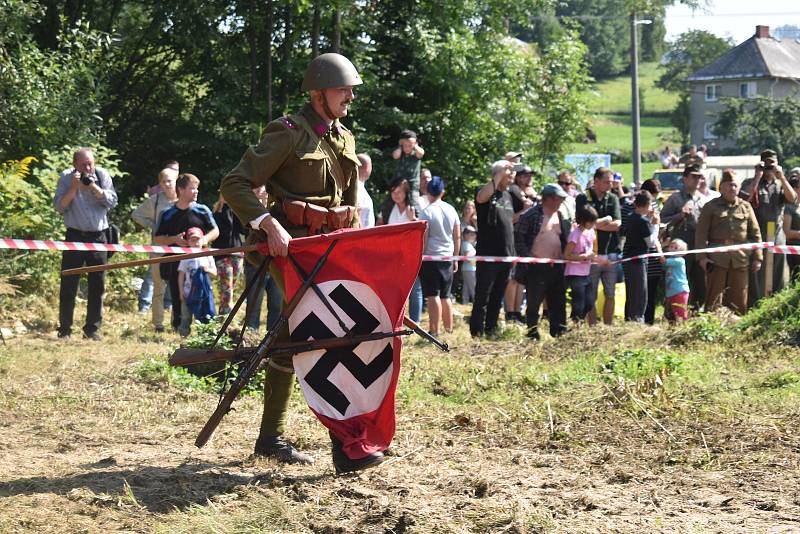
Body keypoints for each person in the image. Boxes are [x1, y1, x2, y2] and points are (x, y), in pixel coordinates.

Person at [220, 53, 381, 474]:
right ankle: (347, 447)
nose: (350, 95)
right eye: (342, 88)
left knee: (294, 338)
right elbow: (235, 183)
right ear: (318, 93)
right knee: (323, 329)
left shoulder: (344, 137)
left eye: (351, 89)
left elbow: (349, 205)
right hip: (287, 249)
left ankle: (270, 438)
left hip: (329, 249)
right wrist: (267, 224)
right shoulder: (286, 133)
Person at [54, 148, 119, 340]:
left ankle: (92, 329)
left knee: (97, 284)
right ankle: (65, 329)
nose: (88, 168)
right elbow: (59, 206)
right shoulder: (66, 177)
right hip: (74, 236)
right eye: (83, 165)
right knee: (68, 282)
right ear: (75, 164)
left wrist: (94, 188)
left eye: (90, 163)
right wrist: (74, 187)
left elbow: (112, 201)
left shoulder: (101, 175)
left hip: (98, 237)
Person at [154, 173, 219, 332]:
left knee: (203, 293)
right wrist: (174, 240)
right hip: (175, 260)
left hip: (200, 262)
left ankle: (205, 328)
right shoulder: (167, 213)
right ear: (181, 190)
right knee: (177, 294)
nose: (196, 192)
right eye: (192, 188)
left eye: (197, 189)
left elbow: (215, 230)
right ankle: (178, 328)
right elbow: (158, 238)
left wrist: (204, 240)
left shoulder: (202, 210)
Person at [695, 170, 762, 314]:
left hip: (740, 259)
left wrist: (758, 257)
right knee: (714, 298)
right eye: (729, 185)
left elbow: (755, 234)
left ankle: (737, 328)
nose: (732, 188)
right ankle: (712, 326)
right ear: (721, 188)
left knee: (739, 298)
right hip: (717, 260)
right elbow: (700, 235)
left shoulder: (745, 206)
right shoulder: (710, 207)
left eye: (735, 185)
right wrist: (702, 258)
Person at [515, 183, 571, 340]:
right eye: (559, 199)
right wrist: (528, 258)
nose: (560, 202)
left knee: (558, 301)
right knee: (534, 302)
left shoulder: (560, 215)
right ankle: (532, 332)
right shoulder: (531, 215)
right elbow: (519, 238)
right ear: (550, 199)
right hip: (537, 267)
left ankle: (559, 331)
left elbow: (564, 238)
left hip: (557, 266)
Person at [739, 149, 796, 304]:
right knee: (756, 270)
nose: (770, 168)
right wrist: (757, 176)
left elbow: (792, 199)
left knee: (777, 269)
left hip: (776, 233)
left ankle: (775, 302)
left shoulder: (780, 184)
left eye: (773, 164)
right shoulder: (751, 183)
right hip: (756, 233)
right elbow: (744, 200)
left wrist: (782, 177)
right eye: (767, 165)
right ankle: (755, 304)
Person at [469, 160, 516, 337]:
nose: (512, 177)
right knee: (483, 296)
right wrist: (499, 174)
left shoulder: (508, 196)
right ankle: (477, 331)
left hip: (506, 256)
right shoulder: (485, 191)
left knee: (497, 296)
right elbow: (481, 198)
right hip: (488, 255)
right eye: (508, 174)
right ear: (498, 174)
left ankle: (491, 328)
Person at [131, 167, 178, 331]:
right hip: (158, 248)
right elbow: (136, 215)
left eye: (169, 180)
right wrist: (153, 225)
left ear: (176, 180)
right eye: (163, 181)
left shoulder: (184, 199)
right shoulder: (155, 200)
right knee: (158, 287)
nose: (166, 184)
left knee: (177, 288)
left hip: (179, 249)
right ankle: (158, 323)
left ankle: (177, 323)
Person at [575, 167, 622, 325]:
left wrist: (594, 224)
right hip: (591, 254)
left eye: (611, 182)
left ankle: (608, 326)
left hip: (611, 253)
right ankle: (593, 326)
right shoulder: (583, 198)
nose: (610, 185)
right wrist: (604, 222)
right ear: (596, 181)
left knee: (610, 293)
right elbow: (581, 224)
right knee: (591, 295)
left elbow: (617, 224)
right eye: (606, 182)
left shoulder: (613, 198)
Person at [660, 163, 706, 311]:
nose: (697, 180)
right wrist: (679, 215)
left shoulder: (703, 199)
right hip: (680, 245)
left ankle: (695, 311)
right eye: (694, 177)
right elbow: (663, 220)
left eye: (699, 177)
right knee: (678, 281)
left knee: (699, 280)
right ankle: (674, 314)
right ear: (685, 179)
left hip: (698, 243)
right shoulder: (675, 198)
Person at [419, 176, 460, 336]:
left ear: (428, 192)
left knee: (432, 295)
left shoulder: (426, 212)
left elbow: (424, 237)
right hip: (448, 257)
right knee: (446, 295)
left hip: (431, 258)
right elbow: (457, 235)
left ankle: (434, 330)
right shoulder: (451, 209)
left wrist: (420, 257)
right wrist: (456, 257)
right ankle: (449, 329)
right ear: (442, 192)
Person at [243, 186, 282, 333]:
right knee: (253, 303)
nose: (261, 191)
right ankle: (250, 338)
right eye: (256, 188)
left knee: (276, 304)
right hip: (255, 263)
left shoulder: (277, 209)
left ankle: (273, 338)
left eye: (262, 188)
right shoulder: (247, 209)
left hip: (276, 261)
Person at [504, 165, 536, 325]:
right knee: (513, 278)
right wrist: (526, 211)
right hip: (514, 239)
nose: (528, 178)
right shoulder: (512, 193)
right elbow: (509, 219)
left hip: (527, 240)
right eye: (525, 175)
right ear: (518, 176)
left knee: (521, 278)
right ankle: (510, 312)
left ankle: (517, 312)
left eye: (530, 175)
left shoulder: (530, 192)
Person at [622, 191, 659, 323]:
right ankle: (638, 319)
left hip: (630, 259)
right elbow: (651, 242)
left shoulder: (631, 216)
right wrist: (655, 225)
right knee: (641, 293)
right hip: (638, 261)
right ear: (648, 204)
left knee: (633, 292)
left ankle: (632, 318)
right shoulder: (642, 221)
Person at [564, 206, 604, 323]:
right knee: (579, 303)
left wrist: (596, 258)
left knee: (589, 303)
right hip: (575, 273)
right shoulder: (575, 234)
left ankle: (577, 321)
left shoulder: (591, 232)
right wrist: (584, 256)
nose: (593, 224)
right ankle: (575, 324)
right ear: (583, 220)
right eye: (590, 221)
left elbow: (591, 251)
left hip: (586, 272)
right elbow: (567, 255)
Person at [176, 227, 218, 336]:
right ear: (188, 241)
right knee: (186, 317)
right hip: (188, 292)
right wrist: (181, 292)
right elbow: (181, 275)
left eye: (198, 239)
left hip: (203, 293)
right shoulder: (186, 256)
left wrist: (207, 270)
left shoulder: (207, 255)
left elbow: (215, 274)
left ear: (203, 240)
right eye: (192, 239)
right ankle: (183, 337)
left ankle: (204, 336)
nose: (195, 242)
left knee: (203, 315)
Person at [212, 194, 245, 315]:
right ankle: (227, 317)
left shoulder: (236, 210)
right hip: (222, 254)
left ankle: (223, 316)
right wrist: (225, 207)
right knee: (227, 289)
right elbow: (225, 230)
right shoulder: (217, 213)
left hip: (237, 254)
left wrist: (237, 209)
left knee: (231, 287)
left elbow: (242, 229)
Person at [640, 179, 664, 325]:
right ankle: (637, 321)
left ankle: (650, 321)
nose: (653, 200)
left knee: (652, 291)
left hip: (654, 251)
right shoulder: (634, 207)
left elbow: (656, 228)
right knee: (640, 291)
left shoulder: (655, 206)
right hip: (641, 252)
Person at [392, 129, 425, 207]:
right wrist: (400, 146)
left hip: (412, 184)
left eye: (410, 146)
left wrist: (415, 145)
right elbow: (395, 156)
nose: (407, 148)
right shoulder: (400, 154)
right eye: (405, 145)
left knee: (413, 202)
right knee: (391, 202)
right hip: (400, 184)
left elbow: (421, 153)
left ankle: (415, 215)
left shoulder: (415, 154)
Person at [662, 239, 690, 321]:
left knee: (681, 311)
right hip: (671, 291)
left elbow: (663, 261)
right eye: (671, 247)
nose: (673, 249)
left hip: (680, 290)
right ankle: (675, 326)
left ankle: (684, 327)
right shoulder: (670, 260)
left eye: (676, 248)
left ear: (682, 252)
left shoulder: (679, 260)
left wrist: (659, 250)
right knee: (674, 311)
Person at [783, 176, 800, 281]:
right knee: (795, 279)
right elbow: (787, 232)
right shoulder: (788, 207)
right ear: (794, 188)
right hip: (794, 249)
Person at [356, 153, 375, 228]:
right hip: (361, 235)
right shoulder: (357, 188)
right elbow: (357, 210)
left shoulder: (359, 186)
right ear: (367, 167)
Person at [460, 225, 477, 304]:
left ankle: (465, 301)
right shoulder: (466, 244)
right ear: (466, 235)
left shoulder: (467, 244)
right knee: (473, 286)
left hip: (467, 268)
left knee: (466, 286)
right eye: (472, 234)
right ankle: (476, 301)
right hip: (470, 269)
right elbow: (467, 257)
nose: (474, 236)